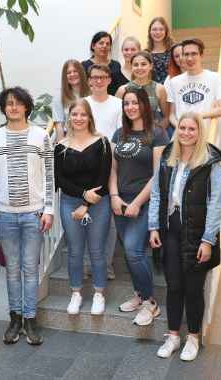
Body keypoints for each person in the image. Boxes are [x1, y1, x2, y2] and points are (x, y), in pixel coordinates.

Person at [148, 112, 221, 361]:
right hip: (170, 229)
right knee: (174, 286)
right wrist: (154, 227)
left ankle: (193, 337)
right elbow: (158, 194)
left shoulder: (209, 161)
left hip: (197, 232)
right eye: (182, 128)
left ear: (199, 132)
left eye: (192, 129)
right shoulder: (168, 156)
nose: (186, 133)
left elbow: (216, 203)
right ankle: (172, 336)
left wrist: (208, 240)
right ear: (177, 129)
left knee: (193, 289)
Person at [0, 87, 54, 346]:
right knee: (12, 270)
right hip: (5, 216)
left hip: (33, 215)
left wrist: (48, 209)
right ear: (4, 108)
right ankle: (14, 319)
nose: (13, 107)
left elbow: (49, 175)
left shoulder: (40, 136)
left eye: (18, 103)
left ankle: (30, 320)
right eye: (9, 104)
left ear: (27, 107)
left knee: (30, 269)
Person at [109, 87, 168, 326]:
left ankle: (150, 304)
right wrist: (114, 196)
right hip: (120, 202)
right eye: (126, 104)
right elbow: (112, 169)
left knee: (134, 250)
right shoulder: (118, 134)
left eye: (135, 103)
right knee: (133, 253)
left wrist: (137, 203)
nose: (130, 107)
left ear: (144, 104)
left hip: (144, 202)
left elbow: (157, 175)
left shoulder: (157, 134)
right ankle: (140, 294)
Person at [54, 99, 112, 315]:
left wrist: (87, 203)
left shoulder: (102, 142)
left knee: (97, 251)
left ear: (90, 118)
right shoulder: (60, 147)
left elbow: (103, 177)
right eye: (74, 114)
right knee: (75, 252)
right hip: (69, 202)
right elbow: (59, 179)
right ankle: (76, 293)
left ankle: (99, 293)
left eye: (83, 114)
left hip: (98, 203)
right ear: (69, 118)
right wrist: (80, 196)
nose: (78, 118)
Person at [85, 64, 122, 280]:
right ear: (89, 80)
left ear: (109, 80)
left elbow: (118, 136)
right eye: (94, 77)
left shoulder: (118, 104)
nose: (98, 81)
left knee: (109, 222)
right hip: (86, 167)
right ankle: (91, 262)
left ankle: (106, 264)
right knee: (86, 217)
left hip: (112, 165)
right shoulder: (84, 104)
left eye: (103, 77)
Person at [166, 38, 221, 137]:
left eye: (194, 54)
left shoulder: (215, 78)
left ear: (201, 55)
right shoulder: (174, 82)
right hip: (181, 137)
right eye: (186, 54)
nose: (190, 58)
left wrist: (197, 116)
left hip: (205, 136)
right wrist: (181, 127)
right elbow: (171, 115)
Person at [115, 51, 169, 130]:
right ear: (131, 67)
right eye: (136, 65)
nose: (139, 68)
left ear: (150, 66)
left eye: (143, 64)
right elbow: (117, 117)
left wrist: (158, 133)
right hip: (130, 134)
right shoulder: (122, 90)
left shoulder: (159, 89)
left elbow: (166, 117)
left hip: (153, 134)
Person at [52, 59, 91, 142]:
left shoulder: (91, 93)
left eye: (75, 71)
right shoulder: (59, 95)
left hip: (87, 138)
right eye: (68, 73)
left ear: (81, 73)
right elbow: (59, 125)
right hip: (67, 137)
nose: (72, 74)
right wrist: (62, 146)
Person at [82, 31, 123, 95]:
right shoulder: (84, 66)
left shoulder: (116, 65)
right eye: (101, 43)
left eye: (107, 44)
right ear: (93, 46)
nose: (104, 46)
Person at [164, 43, 186, 138]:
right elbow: (169, 113)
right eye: (176, 56)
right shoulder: (170, 80)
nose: (180, 58)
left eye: (183, 54)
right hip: (176, 124)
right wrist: (180, 127)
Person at [146, 16, 174, 84]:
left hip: (172, 91)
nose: (158, 32)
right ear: (150, 32)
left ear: (166, 31)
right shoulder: (145, 53)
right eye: (154, 29)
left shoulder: (174, 51)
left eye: (161, 29)